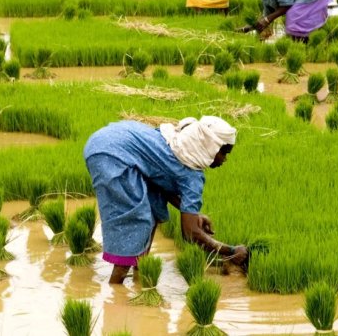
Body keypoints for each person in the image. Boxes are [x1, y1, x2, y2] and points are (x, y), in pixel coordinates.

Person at [83, 117, 249, 284]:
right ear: (210, 147)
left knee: (153, 206)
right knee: (138, 222)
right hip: (111, 156)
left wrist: (193, 214)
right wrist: (231, 251)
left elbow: (160, 180)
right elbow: (190, 233)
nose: (225, 159)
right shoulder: (193, 176)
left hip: (103, 140)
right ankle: (115, 291)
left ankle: (141, 275)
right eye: (224, 153)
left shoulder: (177, 143)